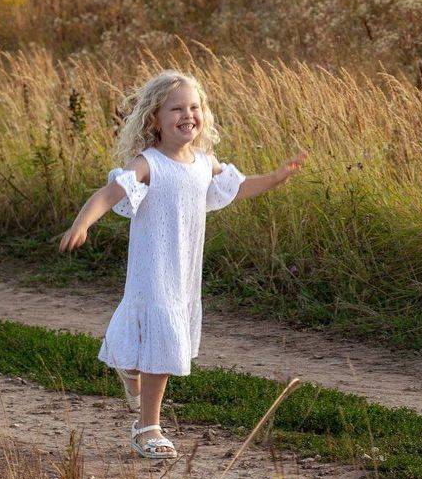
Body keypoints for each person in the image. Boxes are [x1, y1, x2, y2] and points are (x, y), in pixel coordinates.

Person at [59, 70, 305, 458]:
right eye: (176, 109)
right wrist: (82, 224)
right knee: (161, 344)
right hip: (153, 271)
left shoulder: (204, 163)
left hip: (184, 272)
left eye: (194, 107)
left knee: (158, 341)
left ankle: (131, 370)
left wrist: (276, 177)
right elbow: (108, 194)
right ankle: (148, 428)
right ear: (155, 119)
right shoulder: (149, 164)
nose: (187, 115)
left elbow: (239, 186)